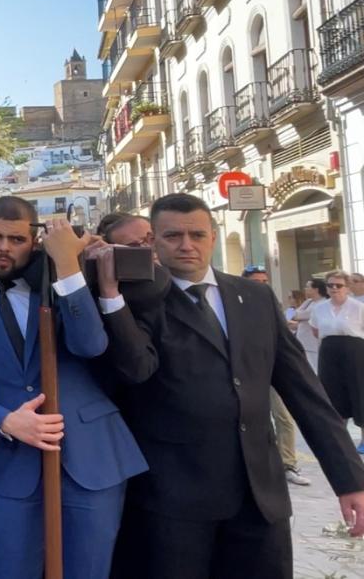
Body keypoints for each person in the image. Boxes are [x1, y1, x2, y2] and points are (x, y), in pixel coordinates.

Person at [102, 193, 364, 579]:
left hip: (260, 501)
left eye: (197, 234)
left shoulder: (255, 297)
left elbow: (304, 390)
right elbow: (129, 370)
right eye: (173, 235)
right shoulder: (136, 302)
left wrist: (349, 479)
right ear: (153, 241)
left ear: (213, 237)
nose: (186, 245)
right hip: (172, 504)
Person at [0, 198, 146, 579]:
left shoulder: (65, 284)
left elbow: (91, 345)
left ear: (34, 241)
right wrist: (5, 421)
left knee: (87, 570)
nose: (4, 247)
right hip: (12, 463)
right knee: (9, 568)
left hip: (92, 459)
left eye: (16, 239)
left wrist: (68, 266)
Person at [243, 266, 310, 487]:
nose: (261, 285)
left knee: (284, 417)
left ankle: (288, 464)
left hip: (272, 368)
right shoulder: (232, 304)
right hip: (245, 372)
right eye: (256, 281)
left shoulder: (269, 304)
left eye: (264, 281)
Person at [314, 271, 364, 454]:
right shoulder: (319, 308)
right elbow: (316, 330)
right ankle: (339, 436)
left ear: (347, 287)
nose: (334, 288)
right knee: (332, 393)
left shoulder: (358, 307)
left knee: (359, 392)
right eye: (330, 285)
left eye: (339, 285)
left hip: (354, 353)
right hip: (329, 353)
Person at [295, 278, 327, 371]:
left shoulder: (321, 304)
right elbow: (288, 315)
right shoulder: (308, 302)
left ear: (316, 289)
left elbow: (297, 315)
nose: (305, 289)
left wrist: (295, 313)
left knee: (314, 369)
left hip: (312, 344)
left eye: (308, 287)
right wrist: (293, 312)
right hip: (302, 342)